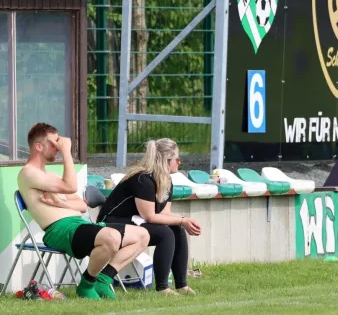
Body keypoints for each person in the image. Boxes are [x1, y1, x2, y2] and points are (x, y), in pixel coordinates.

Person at [17, 123, 150, 300]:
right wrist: (66, 151)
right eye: (54, 143)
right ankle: (86, 285)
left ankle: (104, 278)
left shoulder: (50, 176)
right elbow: (71, 186)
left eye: (60, 143)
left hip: (80, 225)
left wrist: (59, 203)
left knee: (142, 235)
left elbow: (81, 205)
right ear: (38, 146)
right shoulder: (28, 173)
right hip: (61, 230)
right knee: (112, 237)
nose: (58, 147)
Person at [96, 138, 202, 295]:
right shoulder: (143, 179)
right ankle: (162, 287)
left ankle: (182, 285)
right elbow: (150, 216)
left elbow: (164, 214)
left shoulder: (166, 180)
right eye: (177, 159)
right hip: (111, 223)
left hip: (133, 222)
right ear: (166, 160)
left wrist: (183, 220)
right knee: (165, 234)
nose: (179, 162)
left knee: (176, 229)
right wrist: (182, 220)